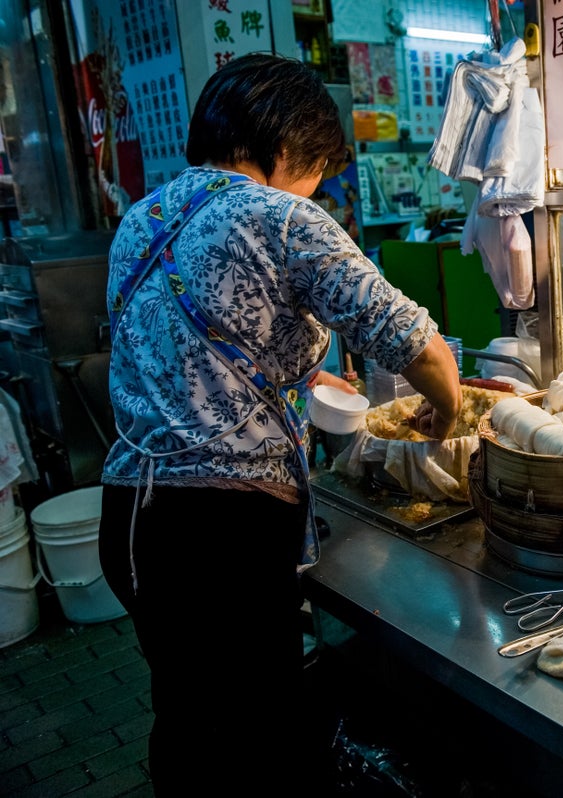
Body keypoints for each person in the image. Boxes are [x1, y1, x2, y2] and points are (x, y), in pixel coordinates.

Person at [96, 53, 462, 796]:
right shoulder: (280, 216)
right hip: (220, 537)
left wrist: (301, 373)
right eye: (318, 170)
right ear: (289, 147)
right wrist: (448, 410)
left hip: (134, 519)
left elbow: (187, 354)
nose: (316, 188)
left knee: (189, 713)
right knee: (260, 735)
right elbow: (415, 342)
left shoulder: (144, 218)